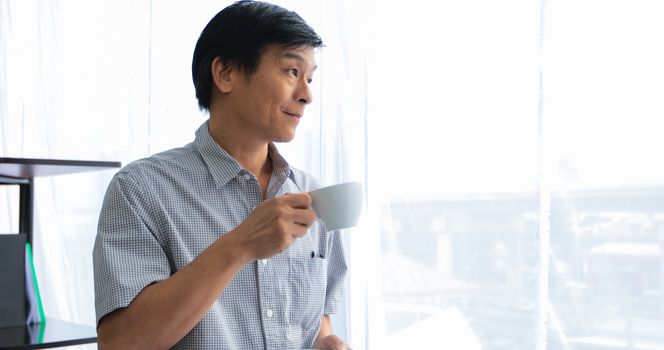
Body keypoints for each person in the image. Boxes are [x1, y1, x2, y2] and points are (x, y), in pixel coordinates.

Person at [92, 1, 348, 349]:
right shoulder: (140, 190)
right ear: (225, 74)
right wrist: (240, 246)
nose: (306, 95)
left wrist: (327, 343)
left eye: (310, 78)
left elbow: (317, 322)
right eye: (291, 71)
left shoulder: (312, 195)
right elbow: (121, 343)